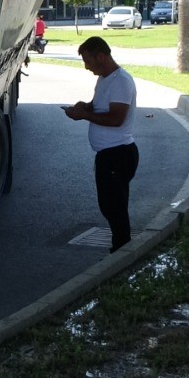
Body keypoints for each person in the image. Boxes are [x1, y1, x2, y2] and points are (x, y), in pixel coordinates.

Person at [63, 37, 139, 252]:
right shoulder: (104, 79)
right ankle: (120, 248)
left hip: (119, 153)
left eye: (88, 61)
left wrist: (84, 116)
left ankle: (121, 251)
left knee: (115, 207)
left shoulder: (121, 81)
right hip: (107, 154)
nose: (86, 66)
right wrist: (84, 107)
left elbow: (116, 119)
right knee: (108, 205)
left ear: (101, 57)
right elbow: (99, 107)